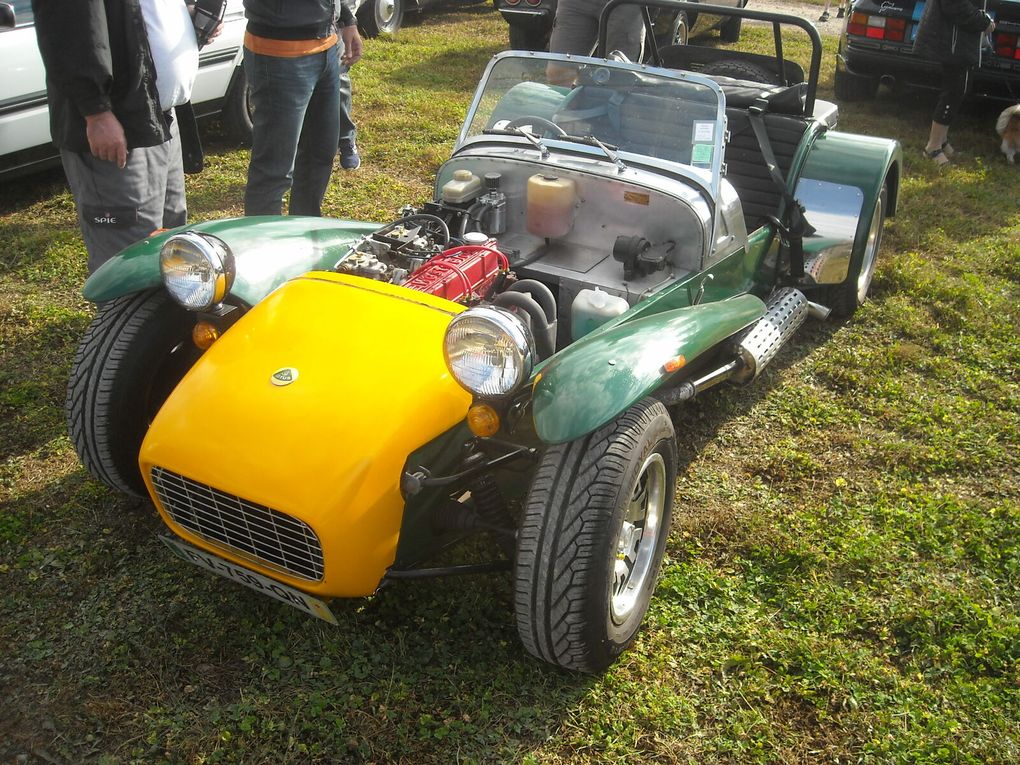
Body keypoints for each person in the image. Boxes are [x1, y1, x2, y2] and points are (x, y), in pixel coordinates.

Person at [32, 0, 203, 274]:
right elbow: (67, 30)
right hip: (120, 122)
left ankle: (167, 316)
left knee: (172, 239)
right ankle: (129, 317)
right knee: (130, 256)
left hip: (158, 115)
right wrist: (96, 112)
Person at [242, 0, 363, 216]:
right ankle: (264, 244)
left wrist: (347, 19)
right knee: (274, 170)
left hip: (328, 46)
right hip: (280, 51)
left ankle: (304, 234)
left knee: (320, 154)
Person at [913, 0, 995, 166]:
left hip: (957, 40)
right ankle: (932, 147)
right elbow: (954, 5)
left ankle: (941, 141)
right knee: (953, 92)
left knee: (958, 90)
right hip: (953, 41)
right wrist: (984, 21)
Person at [546, 0, 644, 85]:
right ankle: (572, 104)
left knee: (620, 78)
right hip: (576, 4)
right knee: (559, 73)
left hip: (626, 6)